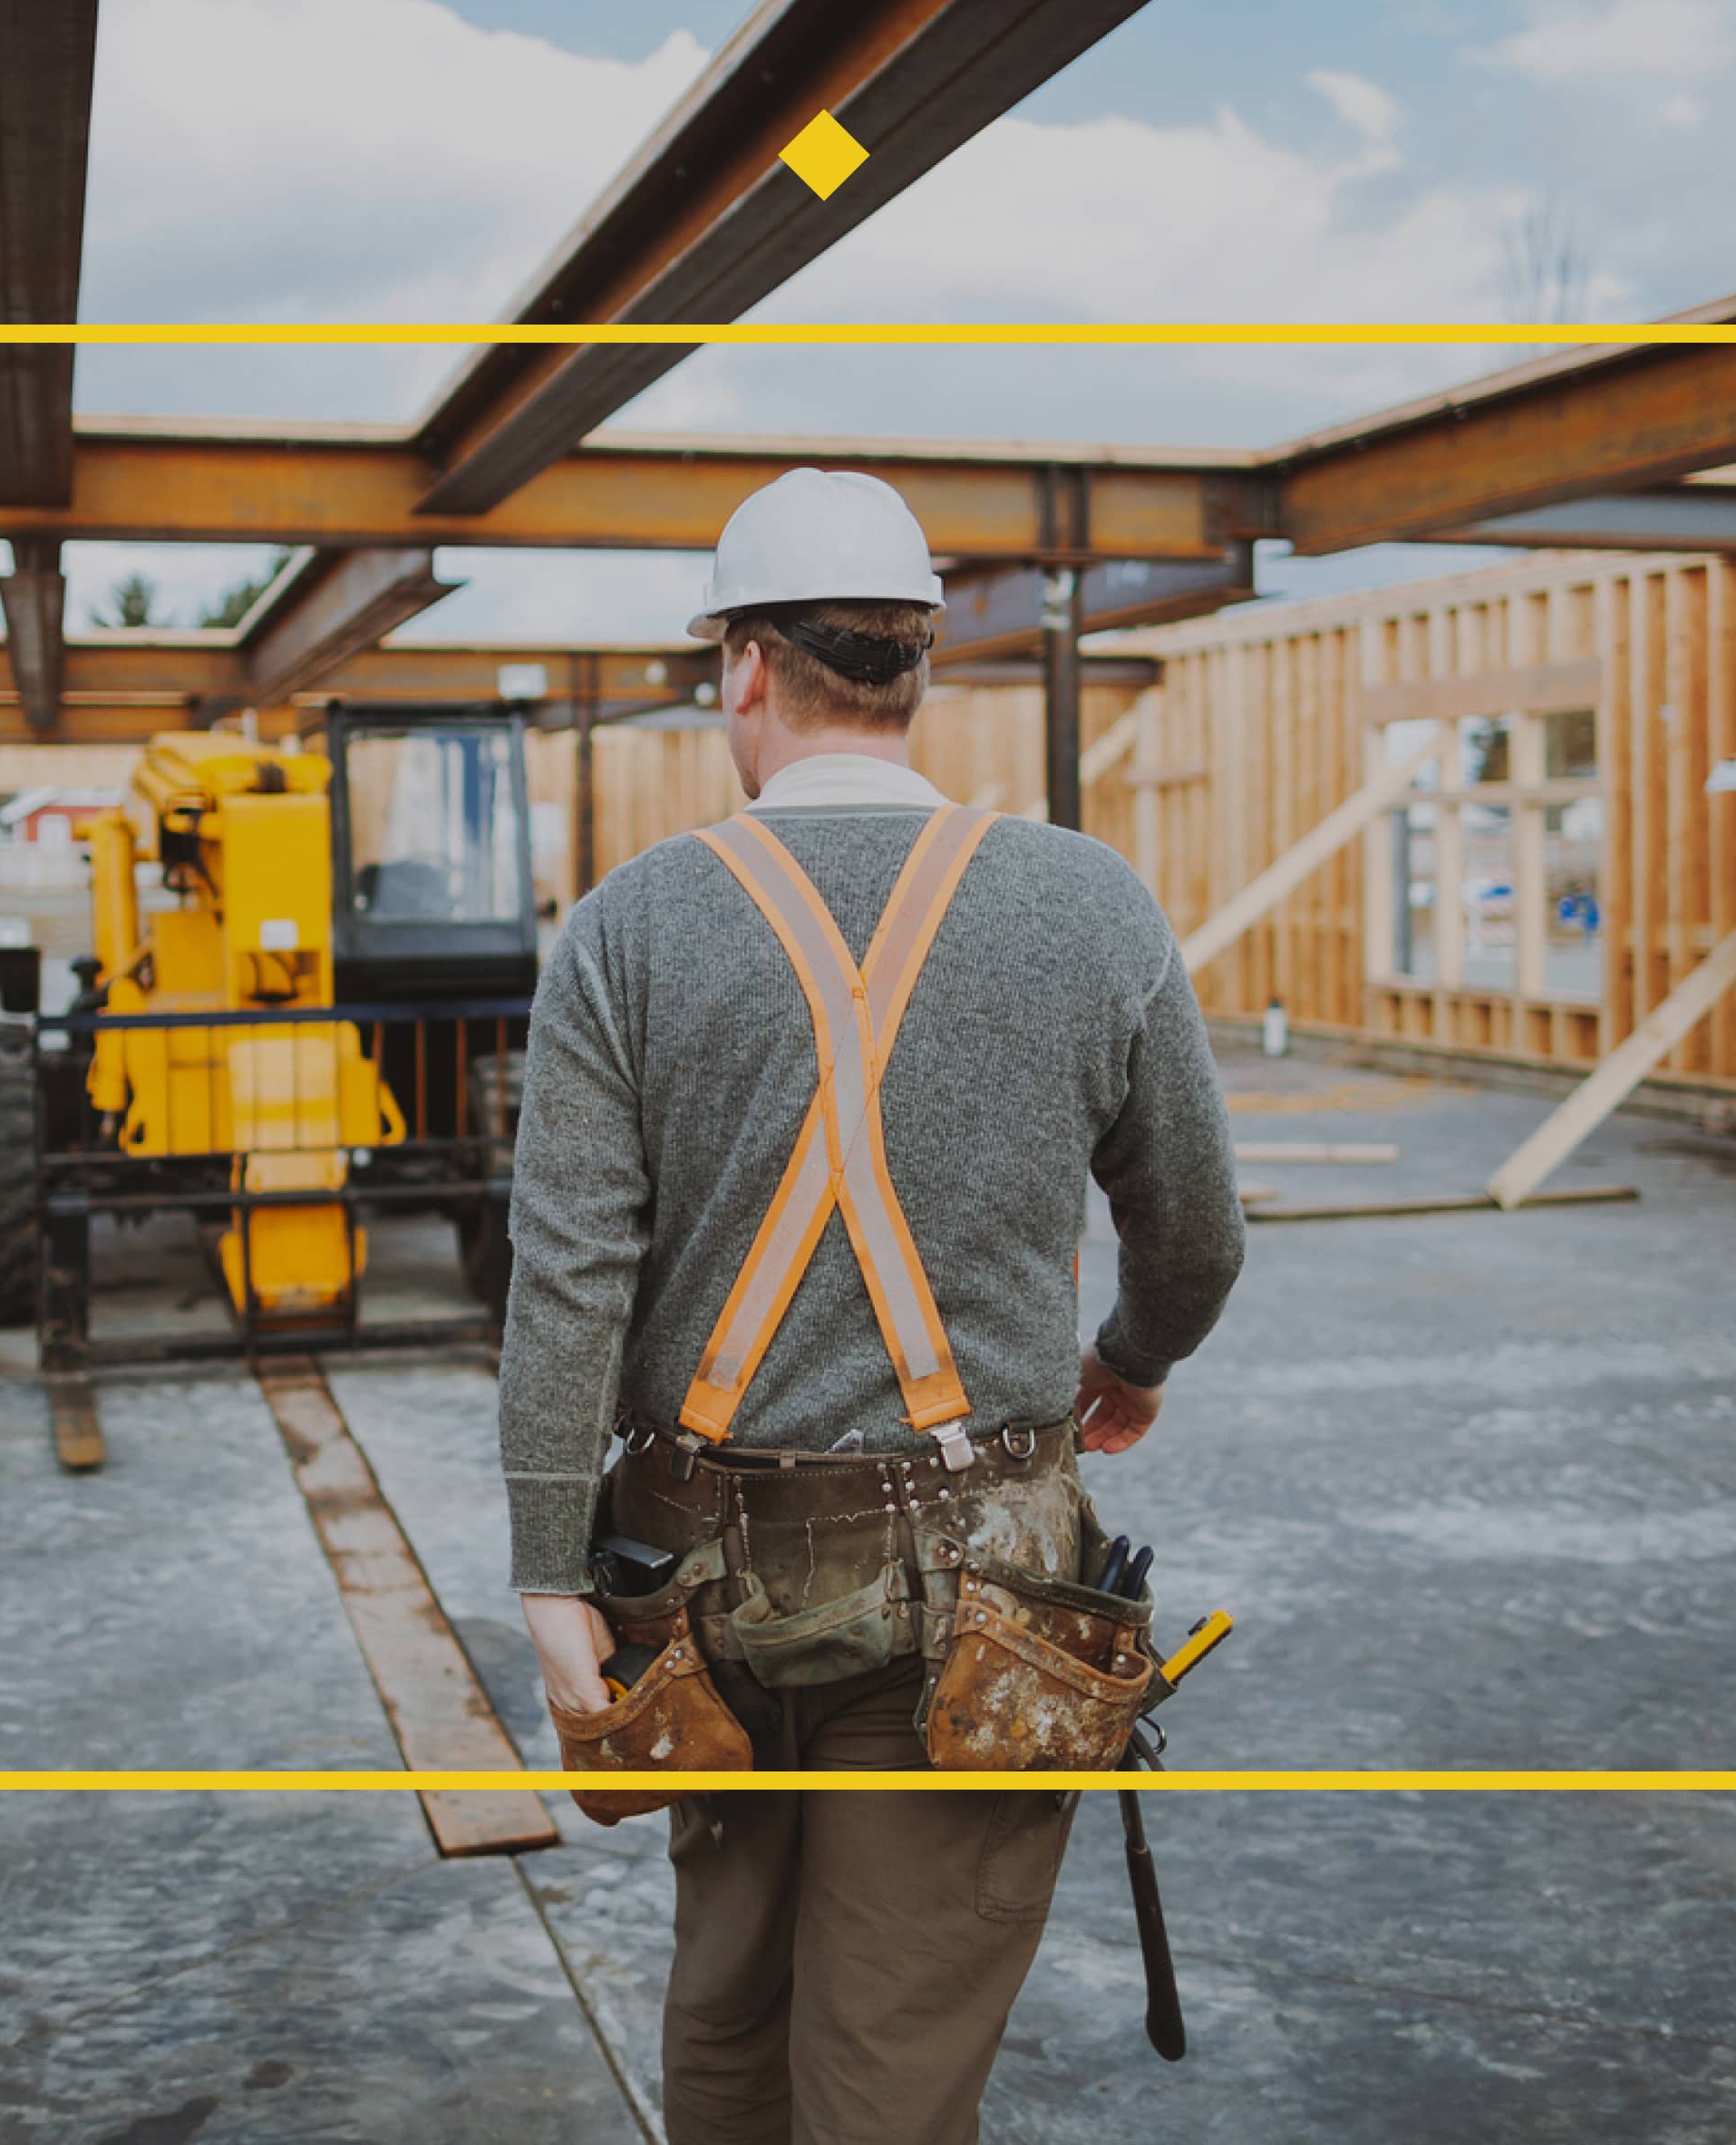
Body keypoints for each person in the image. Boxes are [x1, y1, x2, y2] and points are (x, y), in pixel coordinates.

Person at [496, 467, 1244, 2145]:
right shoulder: (1086, 903)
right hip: (977, 1604)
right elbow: (1194, 1240)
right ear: (917, 663)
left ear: (744, 670)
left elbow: (567, 1281)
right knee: (889, 2062)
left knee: (733, 2013)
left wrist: (549, 1565)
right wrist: (1131, 1363)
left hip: (693, 1588)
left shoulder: (627, 930)